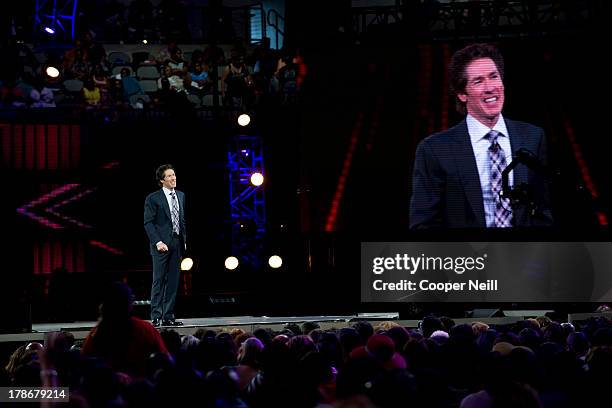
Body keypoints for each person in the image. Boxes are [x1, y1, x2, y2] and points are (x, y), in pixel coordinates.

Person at [410, 43, 553, 229]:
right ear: (462, 94)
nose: (490, 88)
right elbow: (423, 224)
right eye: (478, 81)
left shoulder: (533, 137)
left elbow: (543, 209)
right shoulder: (435, 149)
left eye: (494, 77)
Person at [144, 164, 186, 326]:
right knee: (159, 280)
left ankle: (168, 315)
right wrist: (158, 242)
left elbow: (181, 220)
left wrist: (184, 241)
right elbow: (148, 223)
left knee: (174, 281)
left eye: (174, 175)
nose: (173, 178)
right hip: (161, 244)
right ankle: (156, 315)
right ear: (162, 180)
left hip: (176, 243)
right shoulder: (153, 198)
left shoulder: (181, 195)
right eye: (169, 176)